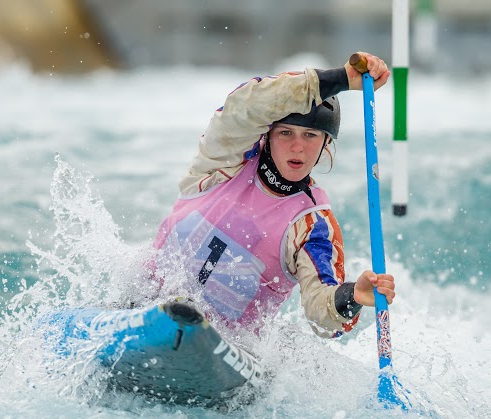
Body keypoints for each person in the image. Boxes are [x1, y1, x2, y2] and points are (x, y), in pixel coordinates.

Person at [152, 52, 395, 338]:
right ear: (267, 134)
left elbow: (323, 316)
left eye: (310, 135)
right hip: (140, 307)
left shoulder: (312, 225)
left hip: (222, 348)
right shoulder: (222, 162)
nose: (297, 147)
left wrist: (352, 297)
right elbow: (246, 105)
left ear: (325, 143)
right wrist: (340, 80)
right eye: (285, 133)